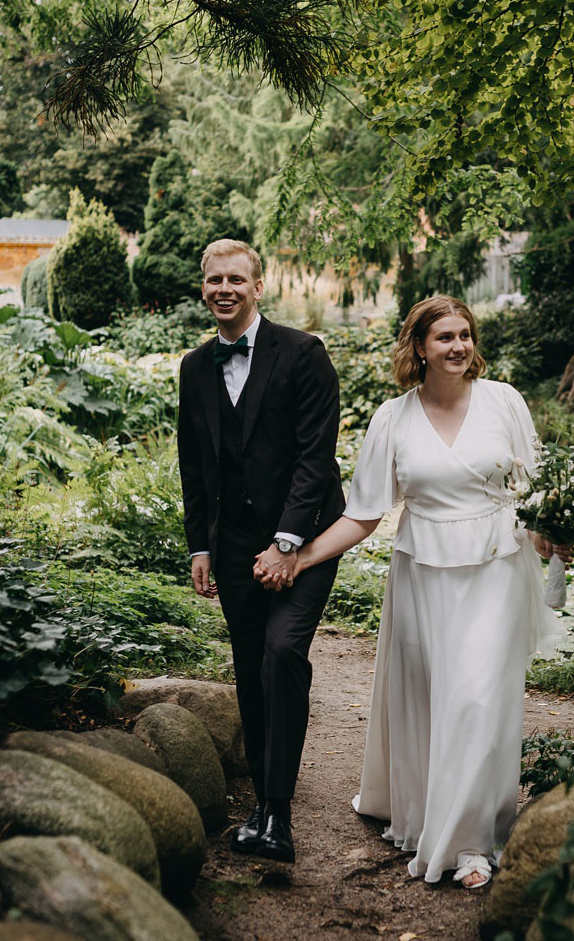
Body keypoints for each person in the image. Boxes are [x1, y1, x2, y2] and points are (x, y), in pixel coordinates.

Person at [264, 295, 565, 889]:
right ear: (419, 348)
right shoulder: (393, 418)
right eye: (444, 338)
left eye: (465, 335)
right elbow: (363, 514)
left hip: (495, 568)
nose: (458, 347)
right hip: (423, 573)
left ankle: (473, 842)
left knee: (480, 701)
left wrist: (555, 536)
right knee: (434, 701)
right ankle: (428, 813)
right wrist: (298, 557)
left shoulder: (505, 402)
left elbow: (536, 494)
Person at [177, 239, 345, 864]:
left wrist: (287, 544)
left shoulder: (304, 354)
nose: (225, 289)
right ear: (203, 288)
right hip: (232, 548)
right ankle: (265, 803)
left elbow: (314, 457)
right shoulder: (195, 368)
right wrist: (200, 545)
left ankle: (278, 814)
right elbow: (194, 465)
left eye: (236, 279)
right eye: (214, 279)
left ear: (258, 286)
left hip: (305, 540)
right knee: (249, 665)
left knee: (281, 653)